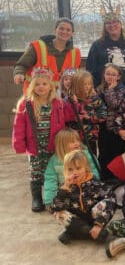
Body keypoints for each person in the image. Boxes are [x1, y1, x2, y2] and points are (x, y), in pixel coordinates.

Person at [12, 67, 75, 212]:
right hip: (35, 145)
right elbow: (19, 126)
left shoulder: (58, 103)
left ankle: (56, 196)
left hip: (53, 145)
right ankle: (37, 198)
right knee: (36, 171)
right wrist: (19, 144)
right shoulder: (26, 103)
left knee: (53, 170)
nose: (41, 87)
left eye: (44, 84)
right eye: (37, 84)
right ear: (32, 86)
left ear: (51, 86)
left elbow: (69, 117)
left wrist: (73, 102)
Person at [50, 150, 116, 245]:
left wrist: (99, 224)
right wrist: (65, 188)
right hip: (76, 219)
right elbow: (56, 207)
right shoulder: (65, 186)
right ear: (65, 170)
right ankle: (90, 233)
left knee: (108, 201)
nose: (75, 172)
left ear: (86, 168)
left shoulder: (94, 183)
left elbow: (111, 198)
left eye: (78, 168)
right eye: (70, 169)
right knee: (58, 213)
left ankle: (76, 232)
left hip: (93, 217)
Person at [13, 18, 81, 93]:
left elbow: (76, 76)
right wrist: (19, 74)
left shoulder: (76, 52)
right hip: (37, 96)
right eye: (61, 28)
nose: (64, 32)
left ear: (72, 33)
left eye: (68, 30)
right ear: (55, 30)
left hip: (62, 99)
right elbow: (22, 65)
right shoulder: (38, 46)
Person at [86, 7, 125, 88]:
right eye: (108, 23)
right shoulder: (96, 46)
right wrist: (96, 90)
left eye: (115, 22)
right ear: (105, 26)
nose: (112, 25)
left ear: (121, 24)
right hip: (103, 92)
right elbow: (90, 71)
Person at [44, 128, 101, 207]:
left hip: (86, 189)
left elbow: (94, 172)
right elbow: (50, 181)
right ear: (62, 144)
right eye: (72, 142)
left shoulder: (86, 155)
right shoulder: (54, 160)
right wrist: (49, 201)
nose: (77, 143)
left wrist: (95, 188)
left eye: (77, 140)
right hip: (68, 190)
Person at [96, 64, 125, 180]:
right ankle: (104, 176)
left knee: (117, 151)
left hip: (116, 126)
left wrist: (110, 90)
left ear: (119, 76)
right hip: (103, 125)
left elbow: (115, 104)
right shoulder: (99, 88)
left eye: (113, 75)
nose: (110, 77)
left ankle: (118, 176)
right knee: (104, 151)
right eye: (108, 74)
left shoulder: (121, 88)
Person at [69, 70, 107, 155]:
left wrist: (89, 116)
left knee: (90, 159)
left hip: (90, 137)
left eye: (89, 84)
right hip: (74, 138)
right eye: (83, 84)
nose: (86, 87)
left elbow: (103, 115)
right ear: (76, 85)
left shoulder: (95, 99)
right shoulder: (71, 99)